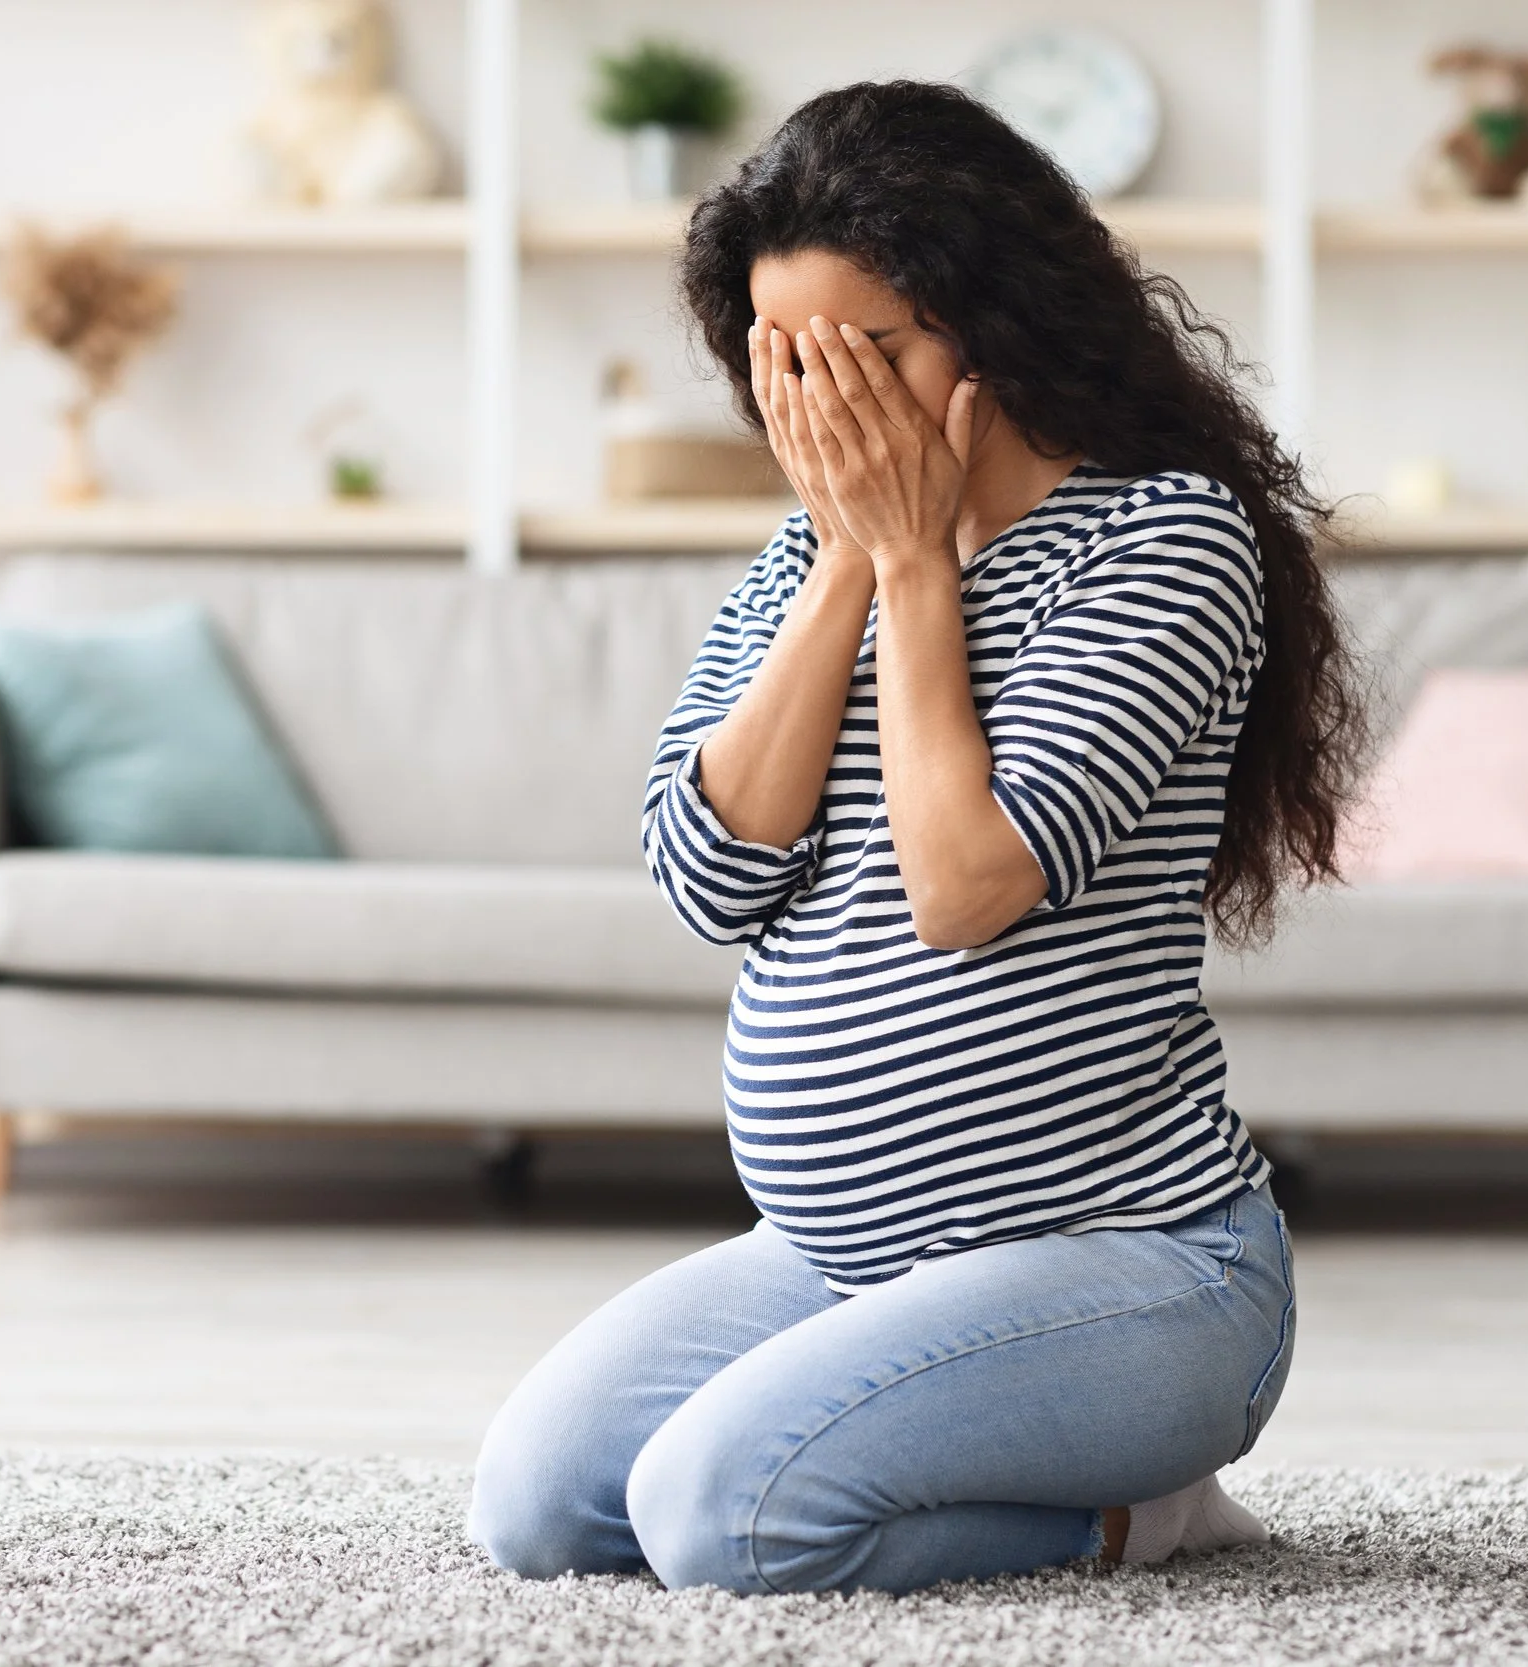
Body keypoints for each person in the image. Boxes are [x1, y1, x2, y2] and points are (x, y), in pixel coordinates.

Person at [469, 80, 1359, 1596]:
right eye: (789, 362)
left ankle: (1147, 1512)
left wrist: (914, 569)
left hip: (1142, 1271)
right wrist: (844, 562)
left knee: (720, 1516)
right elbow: (707, 875)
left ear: (994, 319)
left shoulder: (1166, 540)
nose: (830, 401)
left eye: (869, 354)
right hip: (848, 1258)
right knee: (538, 1509)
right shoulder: (795, 559)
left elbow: (964, 885)